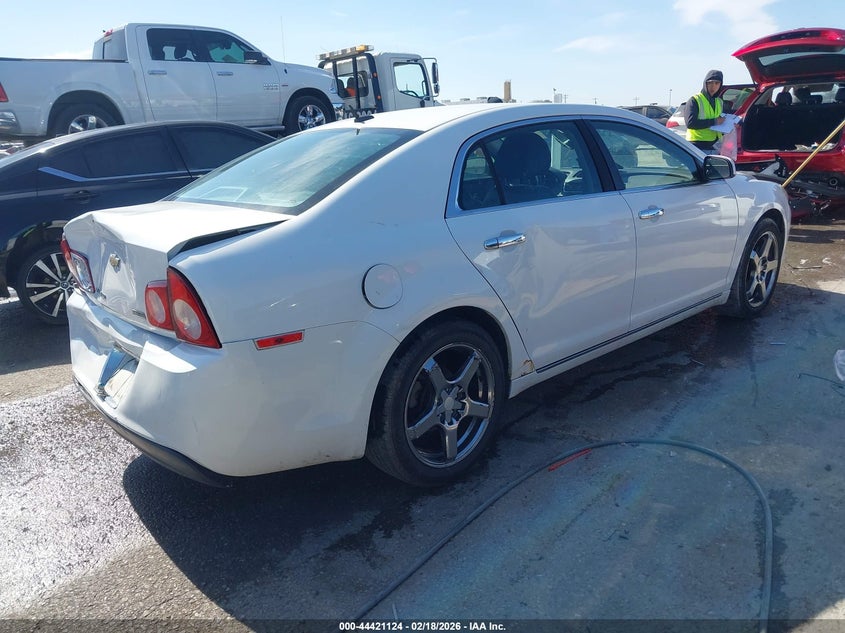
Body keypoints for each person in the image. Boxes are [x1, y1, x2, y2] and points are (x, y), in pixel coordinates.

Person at [684, 69, 726, 153]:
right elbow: (690, 123)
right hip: (697, 145)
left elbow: (720, 120)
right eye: (710, 83)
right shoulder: (694, 100)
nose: (713, 86)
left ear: (720, 85)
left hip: (715, 146)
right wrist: (714, 121)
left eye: (717, 83)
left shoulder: (719, 102)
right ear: (705, 83)